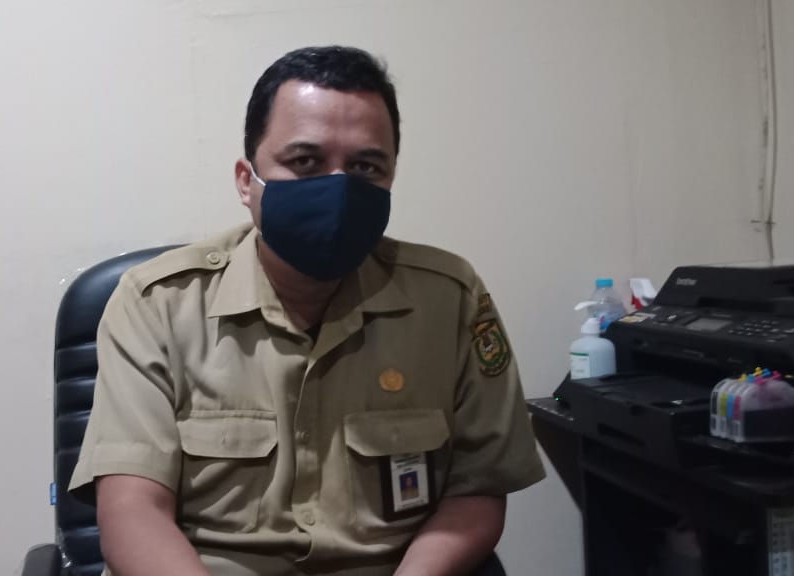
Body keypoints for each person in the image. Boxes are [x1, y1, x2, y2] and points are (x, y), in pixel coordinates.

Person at [69, 45, 546, 576]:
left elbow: (477, 493)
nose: (338, 188)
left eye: (365, 166)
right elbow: (132, 511)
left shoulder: (449, 299)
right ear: (247, 181)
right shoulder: (157, 304)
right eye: (305, 162)